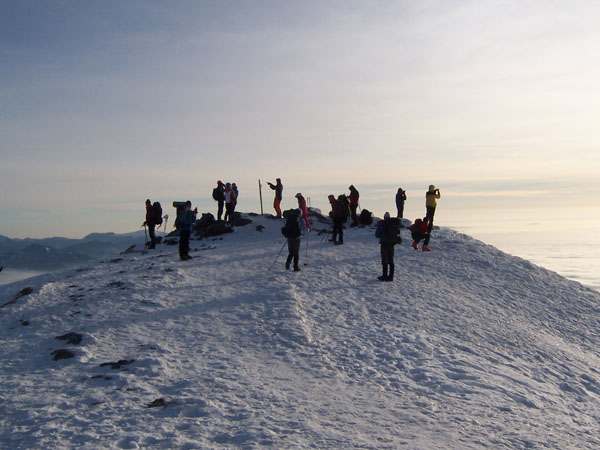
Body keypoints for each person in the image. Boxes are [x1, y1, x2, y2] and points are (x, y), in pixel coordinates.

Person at [375, 212, 401, 281]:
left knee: (384, 260)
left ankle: (385, 276)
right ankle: (391, 276)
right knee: (391, 260)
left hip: (384, 244)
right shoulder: (394, 224)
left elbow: (377, 234)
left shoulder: (382, 223)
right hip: (392, 244)